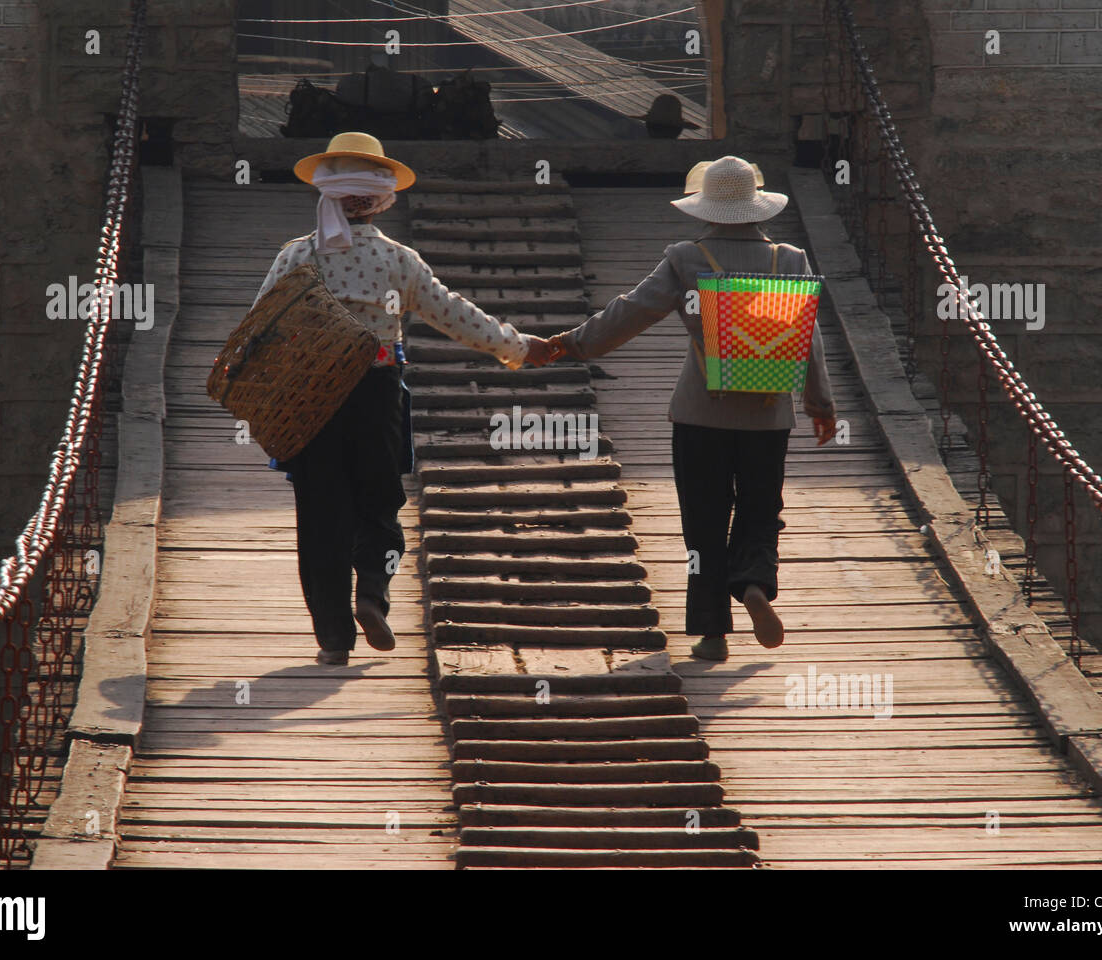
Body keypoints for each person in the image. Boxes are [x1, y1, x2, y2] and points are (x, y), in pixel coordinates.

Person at [253, 132, 552, 666]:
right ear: (380, 198)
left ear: (328, 192)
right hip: (375, 392)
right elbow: (454, 314)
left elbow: (258, 329)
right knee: (380, 499)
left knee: (320, 514)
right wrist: (516, 346)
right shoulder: (399, 262)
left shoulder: (296, 256)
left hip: (310, 400)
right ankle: (372, 590)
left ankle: (333, 640)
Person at [547, 156, 837, 662]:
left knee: (703, 520)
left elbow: (631, 311)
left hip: (700, 413)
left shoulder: (687, 259)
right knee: (760, 508)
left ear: (706, 209)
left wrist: (573, 344)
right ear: (758, 207)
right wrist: (820, 404)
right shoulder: (790, 260)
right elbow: (809, 341)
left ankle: (711, 634)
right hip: (769, 416)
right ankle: (752, 583)